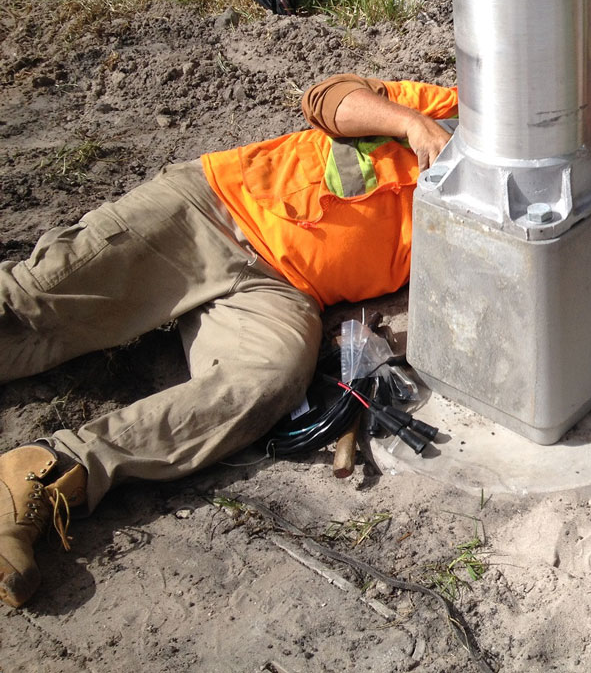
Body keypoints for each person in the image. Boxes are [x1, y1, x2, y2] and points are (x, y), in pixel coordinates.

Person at [0, 73, 457, 609]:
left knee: (268, 379)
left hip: (281, 290)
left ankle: (46, 472)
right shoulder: (450, 109)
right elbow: (326, 98)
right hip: (208, 209)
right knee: (32, 306)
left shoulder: (525, 205)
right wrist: (414, 124)